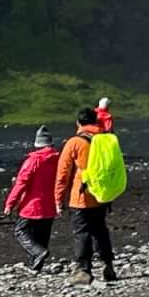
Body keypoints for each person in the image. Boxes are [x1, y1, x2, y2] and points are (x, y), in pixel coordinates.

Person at [54, 108, 119, 285]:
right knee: (101, 230)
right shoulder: (107, 139)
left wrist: (58, 200)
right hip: (102, 194)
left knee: (82, 233)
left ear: (78, 123)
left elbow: (63, 174)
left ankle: (84, 270)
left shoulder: (75, 142)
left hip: (81, 196)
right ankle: (108, 264)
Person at [1, 126, 59, 271]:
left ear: (37, 144)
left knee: (21, 231)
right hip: (50, 204)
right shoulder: (58, 160)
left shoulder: (33, 161)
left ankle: (38, 253)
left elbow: (21, 184)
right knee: (43, 234)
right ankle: (36, 264)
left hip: (32, 205)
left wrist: (10, 204)